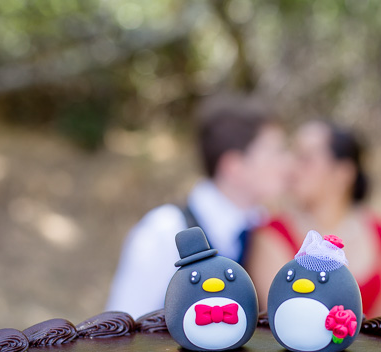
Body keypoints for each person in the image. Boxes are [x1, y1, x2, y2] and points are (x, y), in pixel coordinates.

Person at [105, 96, 290, 318]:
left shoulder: (262, 227)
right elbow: (124, 325)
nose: (287, 163)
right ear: (234, 166)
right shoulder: (165, 231)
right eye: (275, 152)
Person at [246, 120, 381, 317]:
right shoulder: (271, 233)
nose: (291, 166)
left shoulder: (380, 230)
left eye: (305, 158)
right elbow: (283, 318)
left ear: (342, 173)